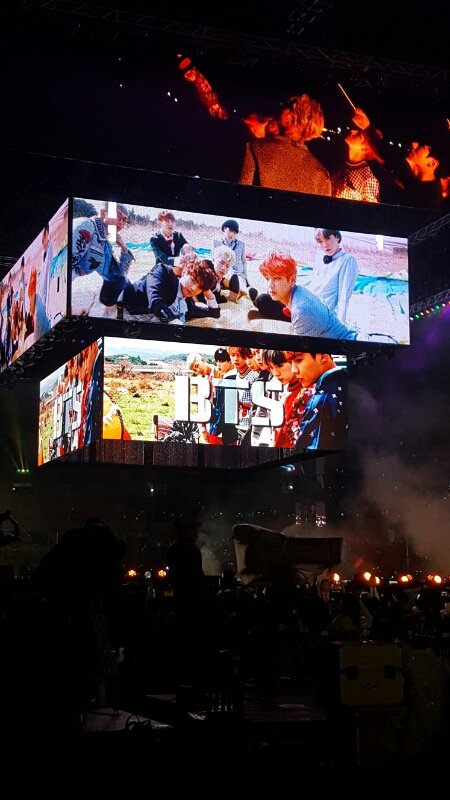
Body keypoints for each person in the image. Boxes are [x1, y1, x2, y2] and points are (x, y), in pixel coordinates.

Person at [238, 94, 331, 196]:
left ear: (290, 119)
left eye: (286, 106)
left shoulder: (255, 148)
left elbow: (241, 196)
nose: (280, 106)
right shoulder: (322, 174)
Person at [254, 251, 358, 340]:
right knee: (262, 299)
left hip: (345, 348)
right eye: (268, 278)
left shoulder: (301, 310)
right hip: (340, 339)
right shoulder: (299, 291)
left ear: (292, 280)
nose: (270, 285)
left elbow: (297, 354)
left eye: (277, 278)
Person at [100, 252, 220, 323]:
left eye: (199, 288)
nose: (193, 288)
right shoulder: (162, 273)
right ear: (184, 273)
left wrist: (207, 291)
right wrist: (175, 324)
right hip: (114, 313)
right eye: (193, 280)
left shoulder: (188, 305)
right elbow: (155, 302)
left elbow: (214, 313)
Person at [283, 351, 348, 451]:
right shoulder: (348, 382)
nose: (293, 370)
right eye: (291, 362)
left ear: (323, 356)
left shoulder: (321, 401)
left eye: (298, 360)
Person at [72, 203, 134, 286]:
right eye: (118, 216)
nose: (121, 223)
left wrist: (124, 249)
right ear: (103, 213)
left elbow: (120, 278)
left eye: (124, 220)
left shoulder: (105, 244)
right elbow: (68, 267)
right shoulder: (87, 226)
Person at [331, 107, 383, 203]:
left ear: (367, 146)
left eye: (358, 133)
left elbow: (368, 211)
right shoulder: (339, 166)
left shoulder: (369, 179)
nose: (352, 131)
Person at [309, 229, 358, 326]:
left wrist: (341, 324)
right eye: (320, 241)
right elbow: (314, 284)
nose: (325, 245)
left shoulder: (347, 260)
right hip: (310, 307)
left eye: (328, 238)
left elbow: (344, 295)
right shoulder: (319, 255)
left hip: (325, 315)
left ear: (337, 237)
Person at [213, 220, 249, 301]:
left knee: (240, 284)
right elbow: (213, 259)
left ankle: (246, 292)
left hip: (237, 273)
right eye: (230, 231)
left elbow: (244, 262)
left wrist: (246, 277)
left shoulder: (241, 244)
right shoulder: (216, 242)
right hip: (223, 271)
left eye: (235, 232)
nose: (232, 234)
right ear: (224, 228)